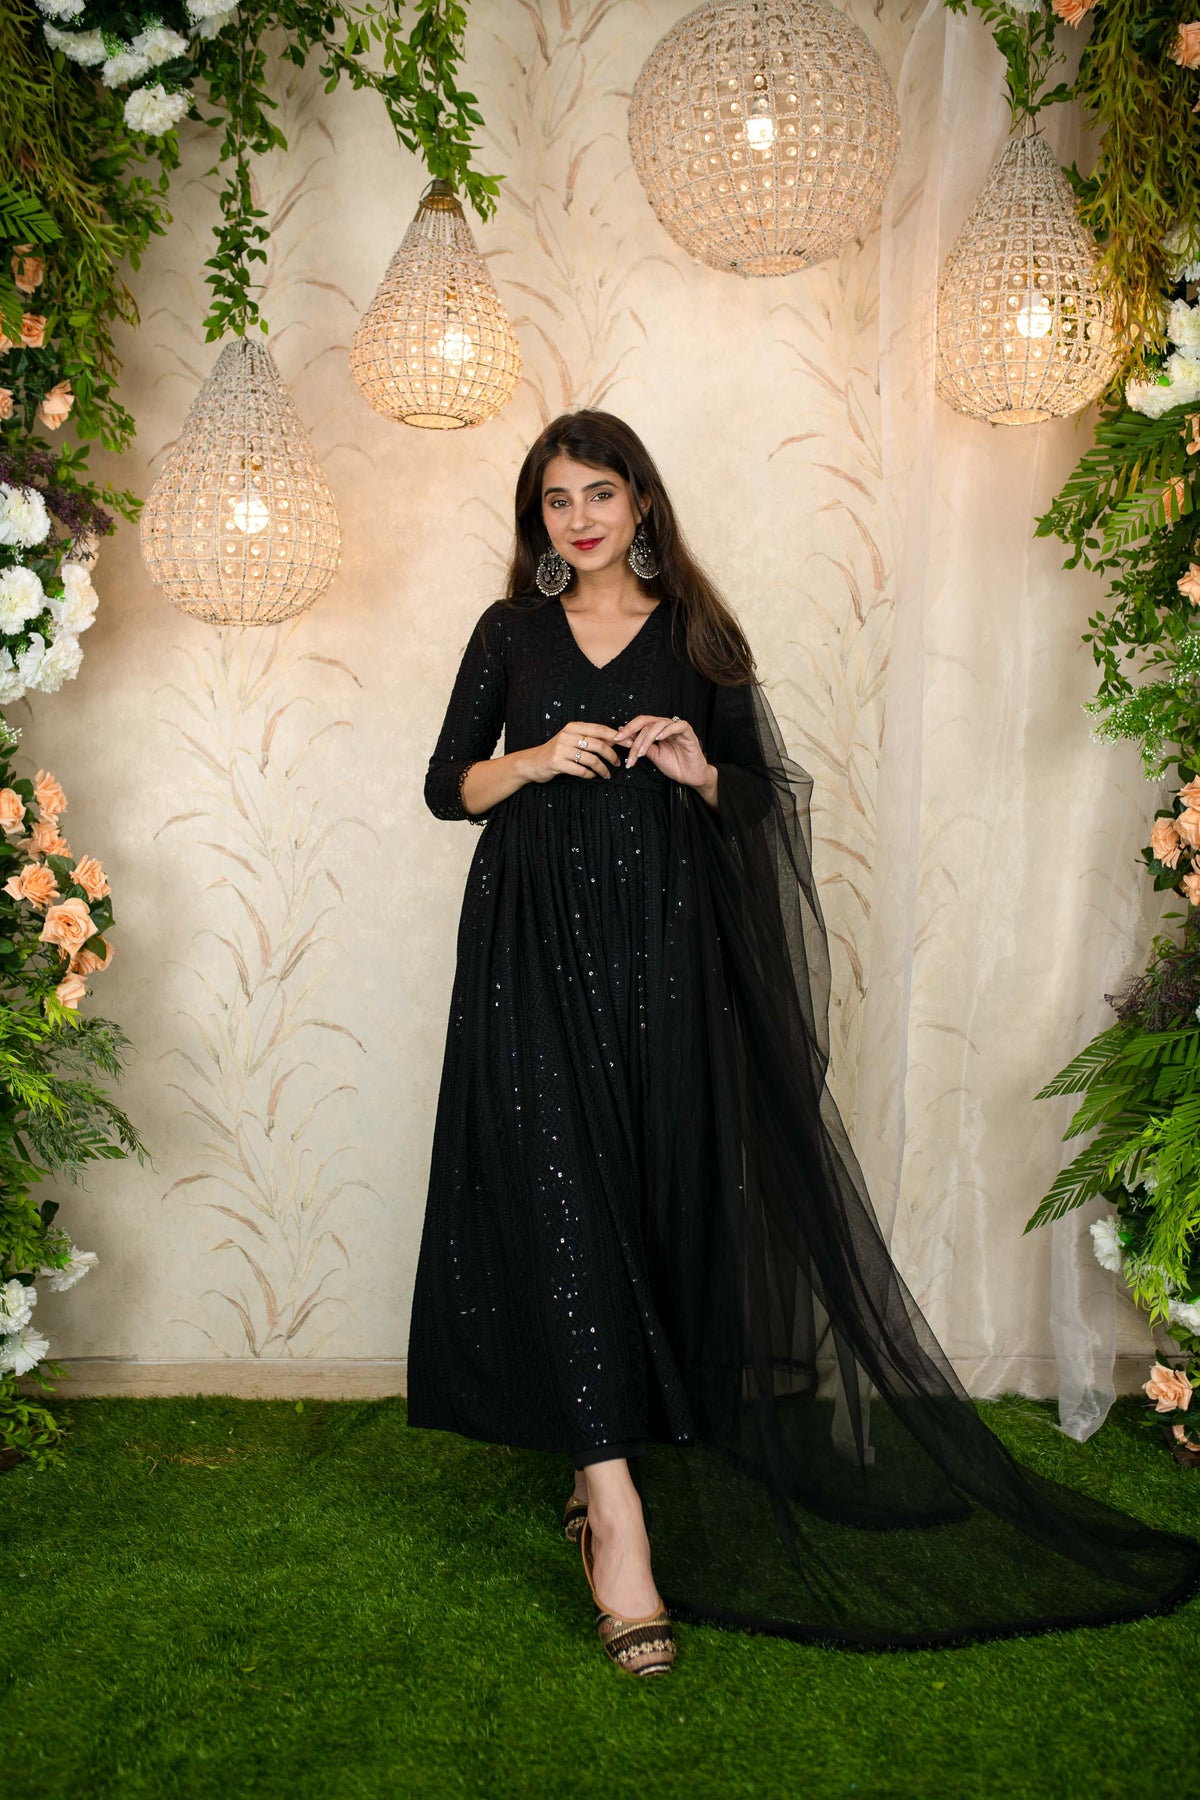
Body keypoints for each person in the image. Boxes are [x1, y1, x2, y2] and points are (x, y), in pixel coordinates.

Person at [408, 409, 1200, 1676]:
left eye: (600, 492)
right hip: (531, 954)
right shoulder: (509, 633)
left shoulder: (698, 636)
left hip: (667, 960)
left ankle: (598, 1468)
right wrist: (538, 757)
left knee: (641, 1202)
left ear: (642, 501)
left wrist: (694, 769)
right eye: (557, 499)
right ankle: (616, 1517)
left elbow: (762, 797)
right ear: (537, 520)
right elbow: (447, 783)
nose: (580, 518)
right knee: (559, 1194)